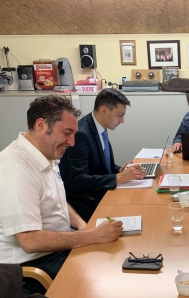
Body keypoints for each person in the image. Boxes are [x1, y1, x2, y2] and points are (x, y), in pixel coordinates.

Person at [0, 95, 124, 293]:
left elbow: (58, 201)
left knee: (110, 257)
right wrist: (91, 236)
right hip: (21, 271)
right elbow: (30, 241)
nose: (72, 142)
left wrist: (83, 226)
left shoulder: (45, 155)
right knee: (103, 276)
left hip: (48, 252)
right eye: (67, 133)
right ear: (41, 125)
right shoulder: (15, 170)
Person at [60, 89, 146, 222]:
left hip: (101, 192)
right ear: (104, 111)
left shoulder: (100, 129)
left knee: (140, 202)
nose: (122, 121)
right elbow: (77, 180)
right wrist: (118, 177)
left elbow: (103, 166)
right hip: (87, 203)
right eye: (120, 115)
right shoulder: (81, 134)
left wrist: (120, 170)